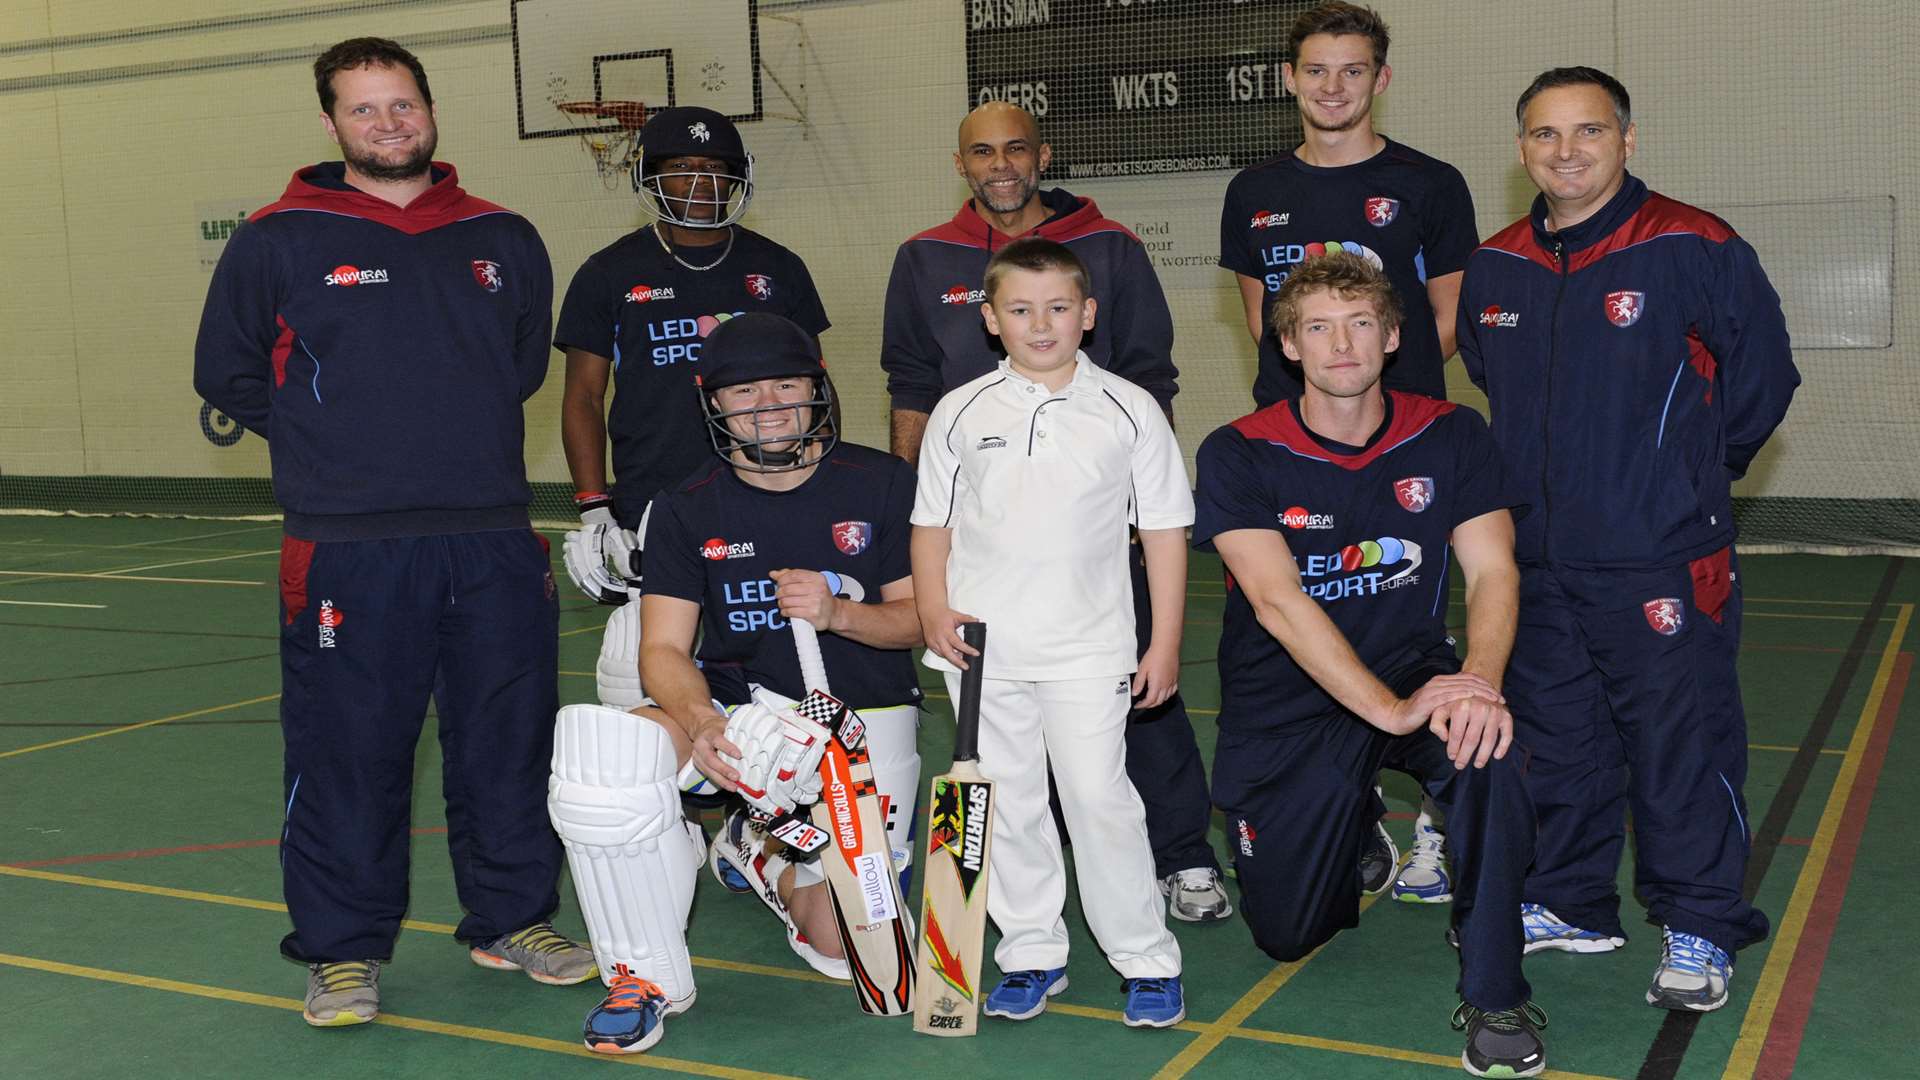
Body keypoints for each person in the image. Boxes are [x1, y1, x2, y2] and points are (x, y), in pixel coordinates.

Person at [193, 37, 589, 1028]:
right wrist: (340, 440)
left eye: (401, 104)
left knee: (505, 738)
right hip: (347, 545)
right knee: (347, 750)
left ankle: (512, 920)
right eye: (364, 110)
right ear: (330, 123)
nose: (387, 124)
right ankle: (341, 953)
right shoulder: (277, 238)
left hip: (493, 536)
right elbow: (228, 371)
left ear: (430, 109)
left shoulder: (504, 234)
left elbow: (518, 370)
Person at [1456, 67, 1796, 1012]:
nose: (1567, 152)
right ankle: (1571, 901)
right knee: (1558, 741)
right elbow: (1497, 386)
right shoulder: (1499, 264)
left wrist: (1679, 481)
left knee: (1678, 744)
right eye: (1545, 134)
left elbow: (1762, 383)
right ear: (1520, 146)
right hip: (1537, 563)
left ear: (1628, 139)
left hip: (1660, 555)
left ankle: (1699, 920)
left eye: (1588, 132)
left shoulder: (1694, 244)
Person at [1193, 251, 1546, 1078]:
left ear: (1392, 336)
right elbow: (1278, 602)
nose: (1340, 345)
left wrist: (1479, 684)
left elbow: (1494, 570)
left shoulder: (1450, 432)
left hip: (1415, 668)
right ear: (1289, 347)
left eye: (1359, 324)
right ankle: (1352, 823)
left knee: (1487, 752)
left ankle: (1495, 991)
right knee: (1288, 935)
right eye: (1317, 327)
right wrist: (1383, 711)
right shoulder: (1239, 451)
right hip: (1288, 701)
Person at [884, 101, 1229, 923]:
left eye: (1014, 149)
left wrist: (1143, 521)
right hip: (984, 571)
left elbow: (1152, 377)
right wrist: (920, 567)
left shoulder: (1110, 246)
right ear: (960, 162)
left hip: (1097, 543)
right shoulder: (925, 256)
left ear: (1041, 155)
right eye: (981, 152)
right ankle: (1027, 935)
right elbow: (909, 386)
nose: (1000, 165)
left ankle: (1181, 858)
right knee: (1005, 778)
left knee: (1140, 715)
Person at [547, 312, 924, 1053]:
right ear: (712, 401)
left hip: (856, 717)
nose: (770, 406)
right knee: (605, 763)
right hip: (739, 709)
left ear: (817, 386)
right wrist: (702, 723)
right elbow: (662, 648)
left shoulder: (881, 482)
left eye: (787, 385)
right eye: (745, 391)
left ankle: (762, 853)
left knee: (844, 946)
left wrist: (840, 612)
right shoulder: (688, 505)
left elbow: (918, 621)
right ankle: (642, 975)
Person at [1218, 2, 1478, 897]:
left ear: (1381, 78)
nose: (1334, 87)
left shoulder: (1430, 182)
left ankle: (1443, 823)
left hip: (1405, 448)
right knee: (1307, 619)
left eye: (1353, 70)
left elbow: (1444, 319)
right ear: (1289, 79)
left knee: (1415, 629)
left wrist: (1375, 400)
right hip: (1293, 455)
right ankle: (1348, 794)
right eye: (1317, 70)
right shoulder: (1252, 190)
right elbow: (1266, 322)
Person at [911, 237, 1189, 1028]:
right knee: (1011, 806)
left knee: (1101, 800)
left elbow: (1165, 532)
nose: (1041, 324)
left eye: (1059, 307)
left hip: (1090, 647)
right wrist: (933, 609)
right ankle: (1031, 952)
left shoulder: (1129, 410)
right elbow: (931, 523)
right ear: (991, 320)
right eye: (1021, 310)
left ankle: (1144, 955)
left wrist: (1161, 642)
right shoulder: (960, 410)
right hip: (982, 651)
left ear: (1088, 314)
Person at [555, 105, 830, 608]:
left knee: (777, 640)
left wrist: (821, 481)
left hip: (770, 483)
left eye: (715, 168)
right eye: (681, 167)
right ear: (651, 174)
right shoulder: (607, 273)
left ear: (735, 178)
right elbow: (583, 398)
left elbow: (816, 386)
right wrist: (594, 507)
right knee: (639, 660)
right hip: (655, 495)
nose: (700, 181)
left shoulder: (779, 267)